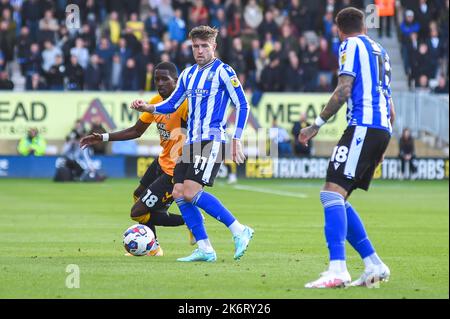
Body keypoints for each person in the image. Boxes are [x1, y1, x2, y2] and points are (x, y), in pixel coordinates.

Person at [130, 25, 254, 262]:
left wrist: (236, 139)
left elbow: (243, 105)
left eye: (204, 46)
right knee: (178, 193)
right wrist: (149, 107)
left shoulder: (224, 72)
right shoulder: (188, 74)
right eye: (195, 46)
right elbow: (172, 104)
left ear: (214, 46)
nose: (199, 51)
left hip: (212, 139)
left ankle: (239, 229)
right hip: (190, 143)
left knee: (190, 192)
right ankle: (205, 248)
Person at [299, 7, 396, 288]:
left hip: (363, 127)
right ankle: (374, 264)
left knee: (331, 194)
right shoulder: (381, 50)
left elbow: (344, 90)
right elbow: (390, 109)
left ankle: (338, 269)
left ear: (339, 29)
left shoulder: (349, 45)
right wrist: (380, 146)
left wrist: (315, 124)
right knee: (339, 198)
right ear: (363, 26)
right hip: (379, 129)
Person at [80, 62, 190, 256]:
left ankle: (191, 221)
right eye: (157, 79)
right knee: (138, 195)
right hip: (162, 161)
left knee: (137, 212)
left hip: (175, 170)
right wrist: (103, 137)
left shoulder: (185, 105)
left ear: (177, 81)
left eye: (165, 79)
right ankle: (153, 248)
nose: (160, 83)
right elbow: (136, 131)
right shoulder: (156, 101)